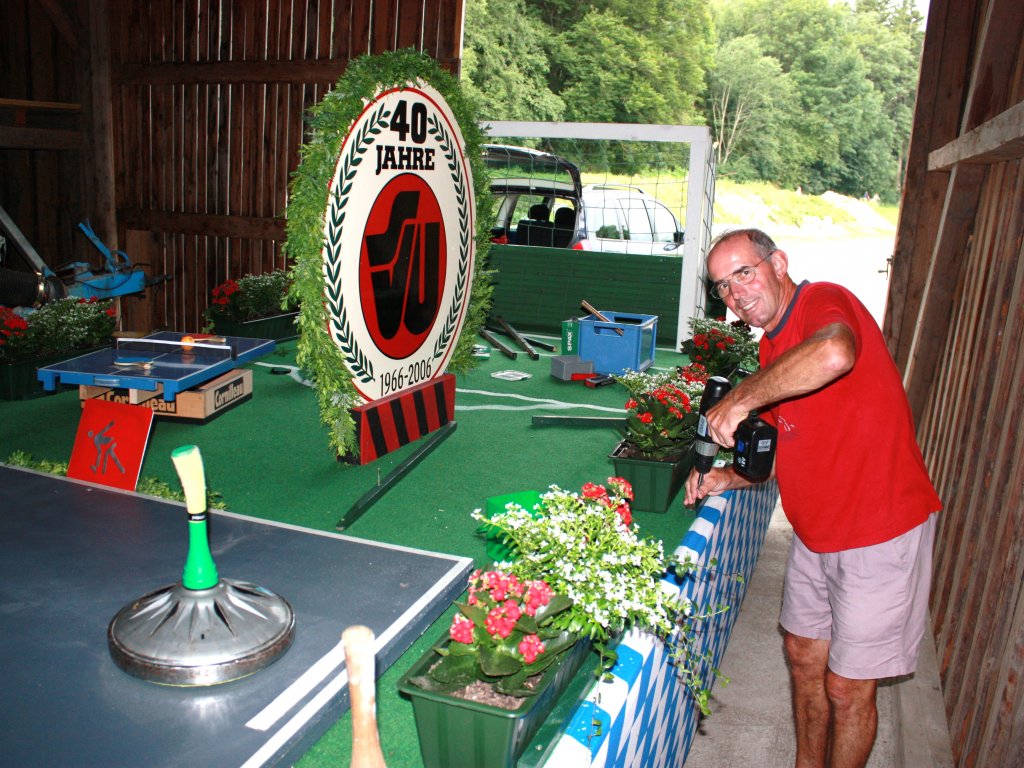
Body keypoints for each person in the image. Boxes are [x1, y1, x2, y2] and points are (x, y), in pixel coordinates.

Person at [684, 228, 941, 768]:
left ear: (778, 263)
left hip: (878, 527)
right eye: (722, 287)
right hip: (817, 530)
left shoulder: (825, 300)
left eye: (744, 273)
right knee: (802, 656)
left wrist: (740, 399)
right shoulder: (772, 346)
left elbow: (834, 354)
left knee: (848, 688)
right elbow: (784, 443)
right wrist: (733, 476)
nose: (735, 294)